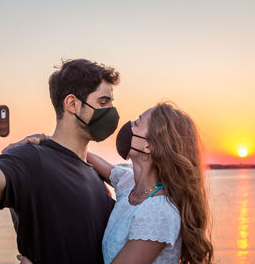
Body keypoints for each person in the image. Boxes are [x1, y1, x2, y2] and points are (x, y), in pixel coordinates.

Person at [0, 59, 120, 264]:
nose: (111, 110)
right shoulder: (33, 159)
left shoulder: (94, 174)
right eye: (103, 102)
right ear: (73, 104)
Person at [18, 102, 214, 263]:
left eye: (137, 123)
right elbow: (88, 158)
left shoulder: (158, 213)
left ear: (148, 146)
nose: (129, 126)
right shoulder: (131, 184)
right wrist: (49, 140)